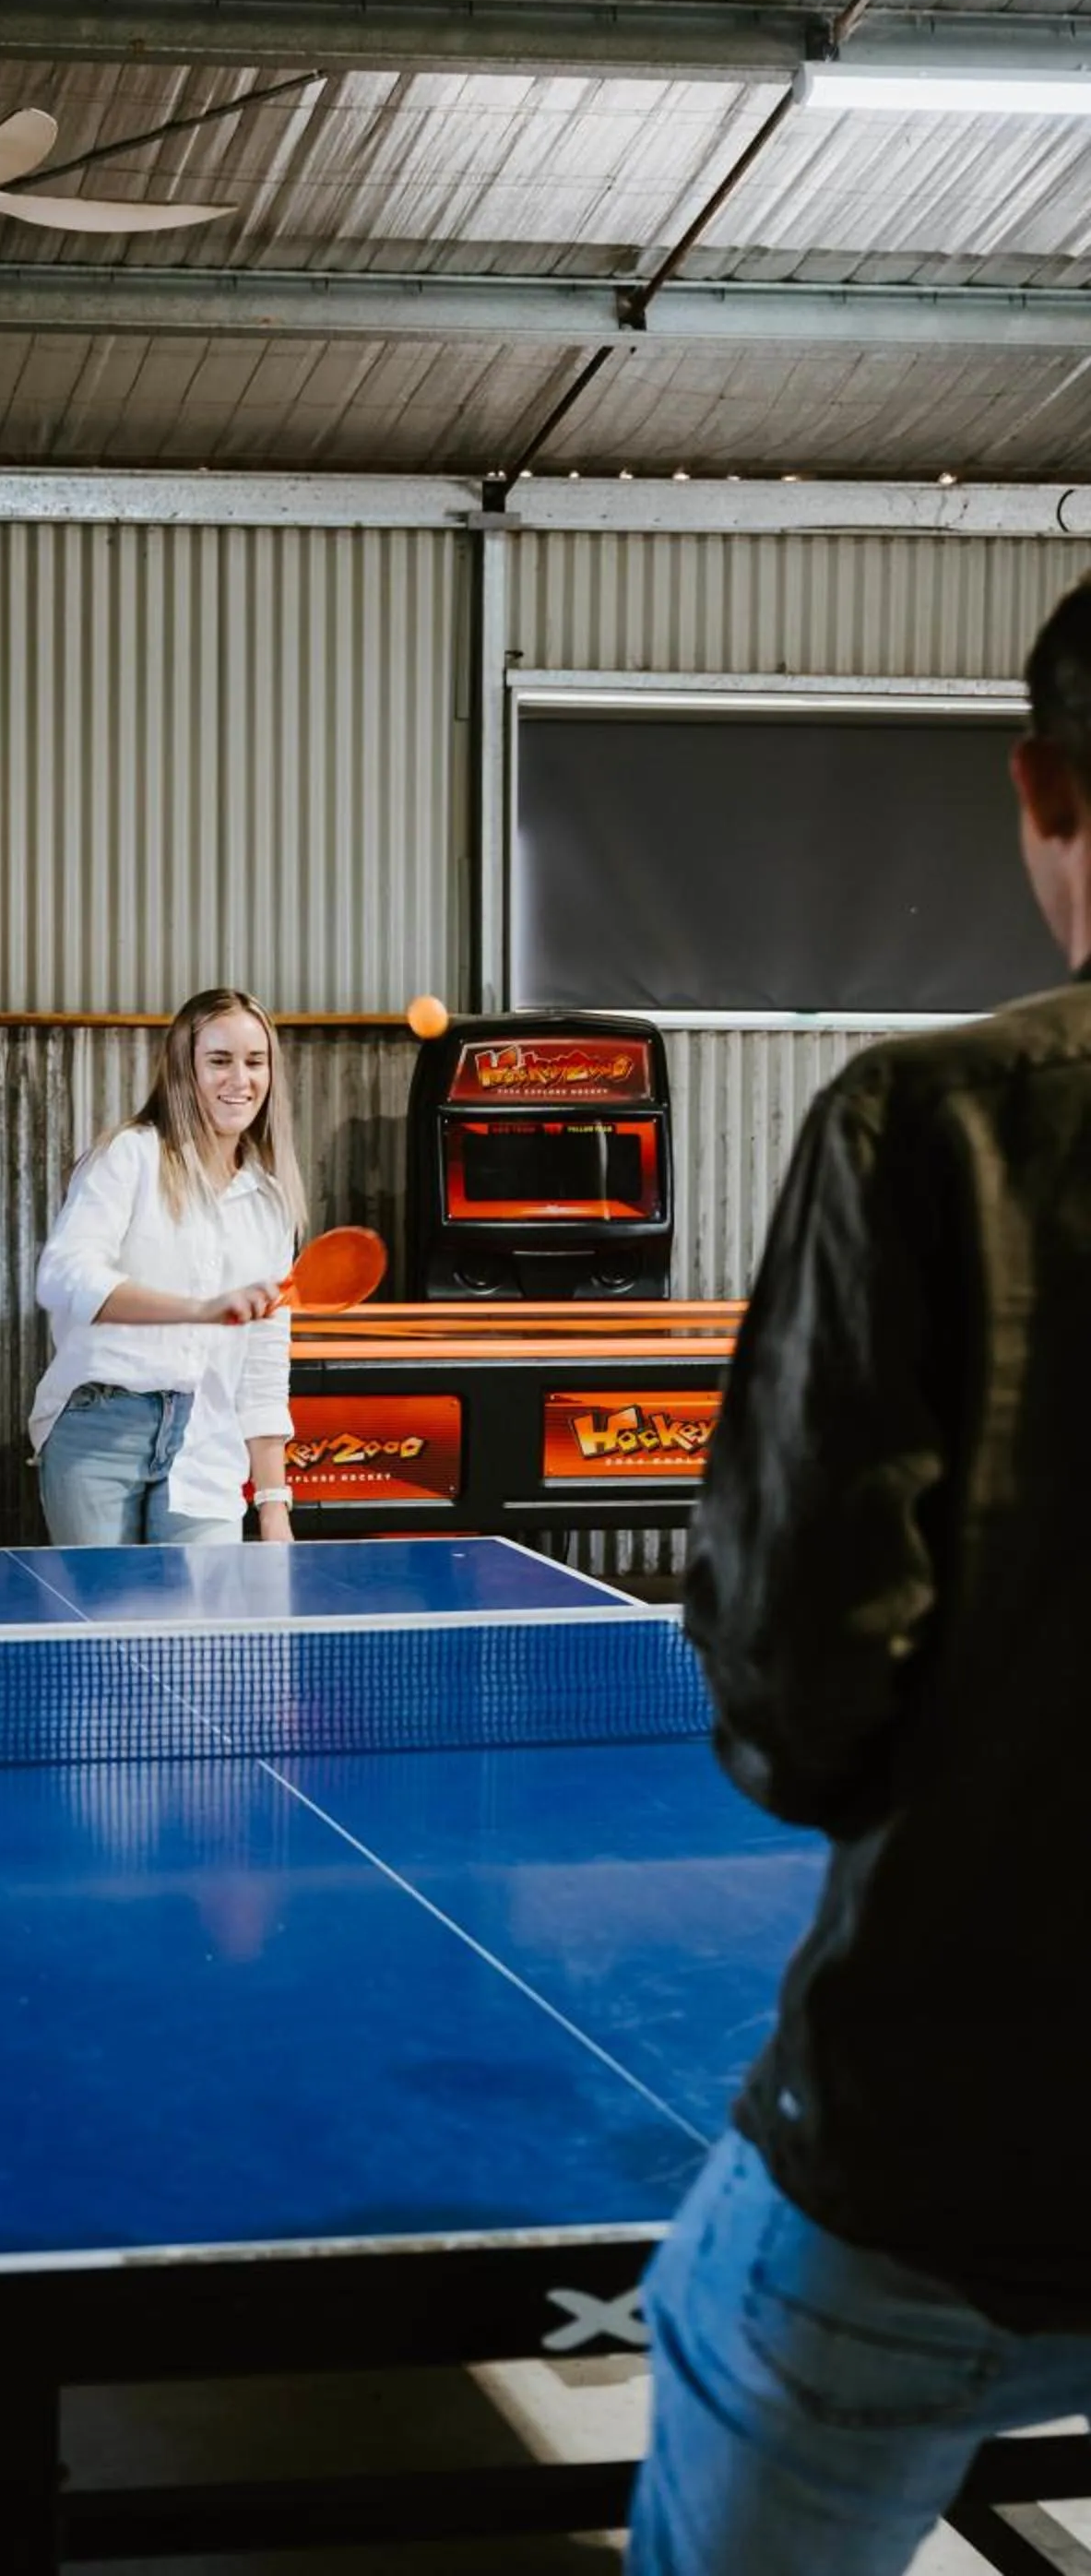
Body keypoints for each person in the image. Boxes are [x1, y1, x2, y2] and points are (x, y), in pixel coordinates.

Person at [629, 575, 1091, 2574]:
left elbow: (802, 1707)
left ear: (1038, 791)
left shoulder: (937, 1124)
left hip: (946, 2161)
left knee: (715, 2330)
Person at [30, 987, 305, 1547]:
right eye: (219, 1060)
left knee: (205, 1606)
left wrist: (274, 1505)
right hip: (102, 1427)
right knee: (104, 1608)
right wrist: (199, 1310)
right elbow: (63, 1276)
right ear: (185, 1068)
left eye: (255, 1062)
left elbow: (263, 1363)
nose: (240, 1080)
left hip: (208, 1441)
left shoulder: (273, 1203)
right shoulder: (129, 1156)